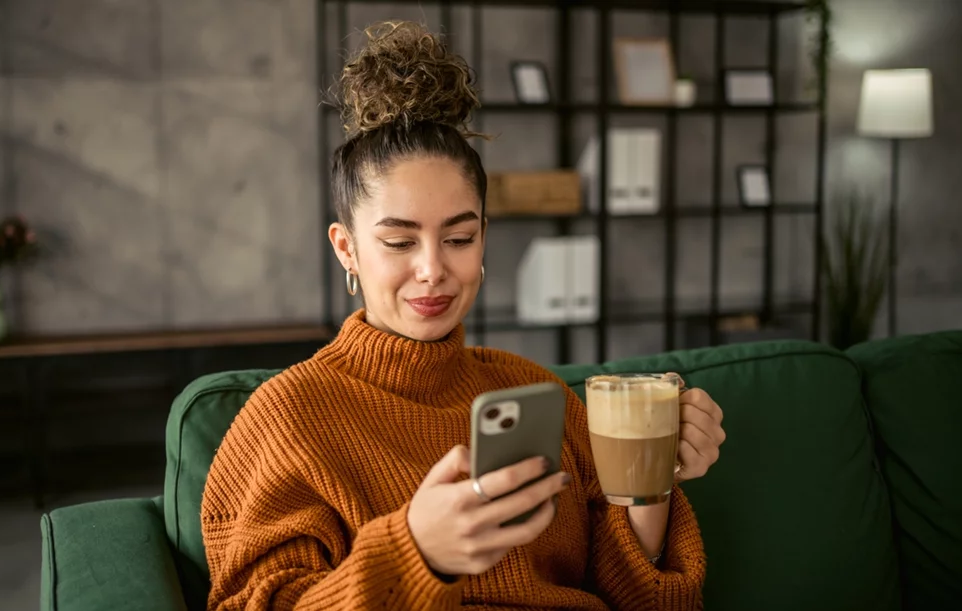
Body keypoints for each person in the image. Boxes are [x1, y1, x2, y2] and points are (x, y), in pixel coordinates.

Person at [201, 20, 726, 611]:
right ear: (346, 248)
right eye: (399, 242)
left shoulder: (535, 392)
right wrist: (418, 552)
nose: (433, 270)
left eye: (458, 237)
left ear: (483, 240)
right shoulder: (286, 421)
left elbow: (650, 602)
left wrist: (652, 476)